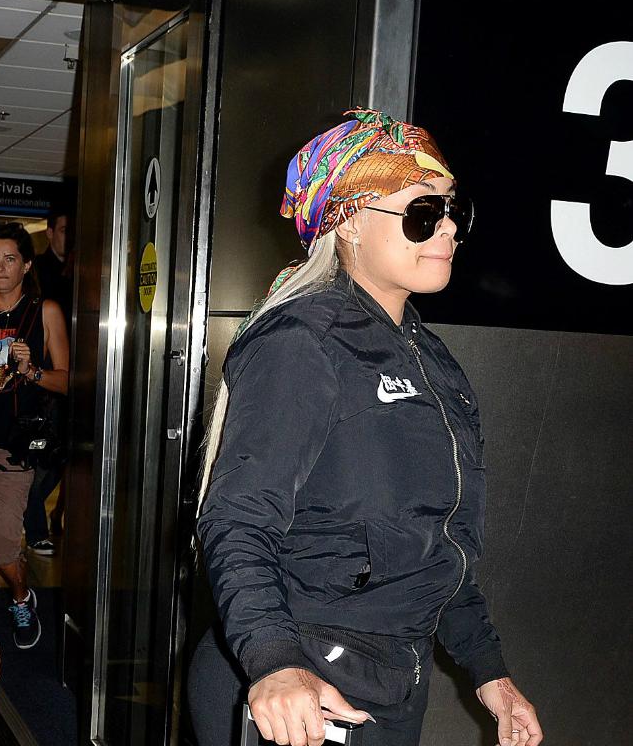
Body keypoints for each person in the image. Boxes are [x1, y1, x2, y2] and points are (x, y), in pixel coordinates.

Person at [190, 110, 543, 746]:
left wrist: (490, 672)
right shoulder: (302, 342)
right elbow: (237, 521)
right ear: (349, 221)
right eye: (421, 213)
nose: (447, 230)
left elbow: (437, 545)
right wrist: (273, 660)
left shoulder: (431, 359)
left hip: (389, 680)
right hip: (306, 680)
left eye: (453, 211)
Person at [0, 222, 70, 649]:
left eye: (10, 259)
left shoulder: (44, 312)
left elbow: (67, 381)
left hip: (13, 453)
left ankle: (22, 598)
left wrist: (32, 371)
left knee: (1, 547)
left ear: (26, 265)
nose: (0, 267)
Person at [23, 209, 71, 554]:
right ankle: (36, 525)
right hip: (40, 379)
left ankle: (41, 516)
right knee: (41, 457)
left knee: (63, 456)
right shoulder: (37, 270)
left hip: (77, 378)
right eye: (66, 230)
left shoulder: (88, 269)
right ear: (50, 232)